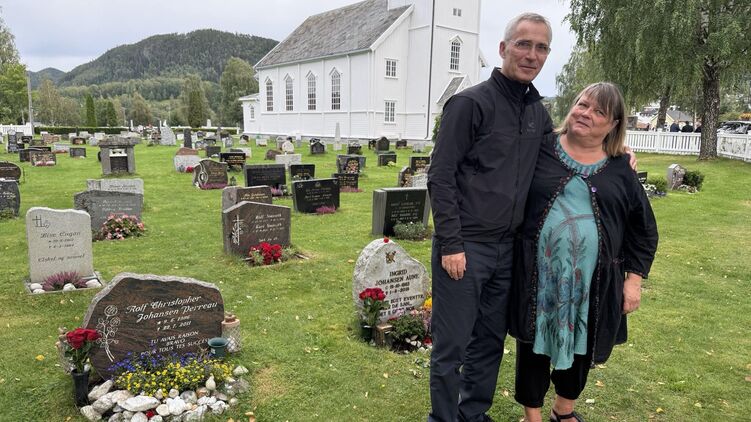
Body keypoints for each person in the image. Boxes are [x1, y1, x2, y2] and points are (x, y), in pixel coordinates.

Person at [427, 12, 554, 422]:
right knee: (452, 346)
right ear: (503, 48)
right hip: (466, 246)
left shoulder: (537, 112)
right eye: (523, 44)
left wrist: (614, 152)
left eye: (541, 47)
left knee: (489, 341)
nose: (531, 54)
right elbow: (441, 176)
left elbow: (559, 160)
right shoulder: (470, 104)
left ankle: (473, 414)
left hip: (508, 249)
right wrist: (451, 243)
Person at [508, 82, 658, 422]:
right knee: (532, 346)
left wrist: (633, 281)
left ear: (614, 124)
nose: (586, 113)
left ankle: (563, 411)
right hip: (539, 276)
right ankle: (532, 416)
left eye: (599, 111)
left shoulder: (620, 168)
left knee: (581, 345)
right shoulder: (541, 149)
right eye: (582, 104)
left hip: (592, 282)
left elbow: (644, 228)